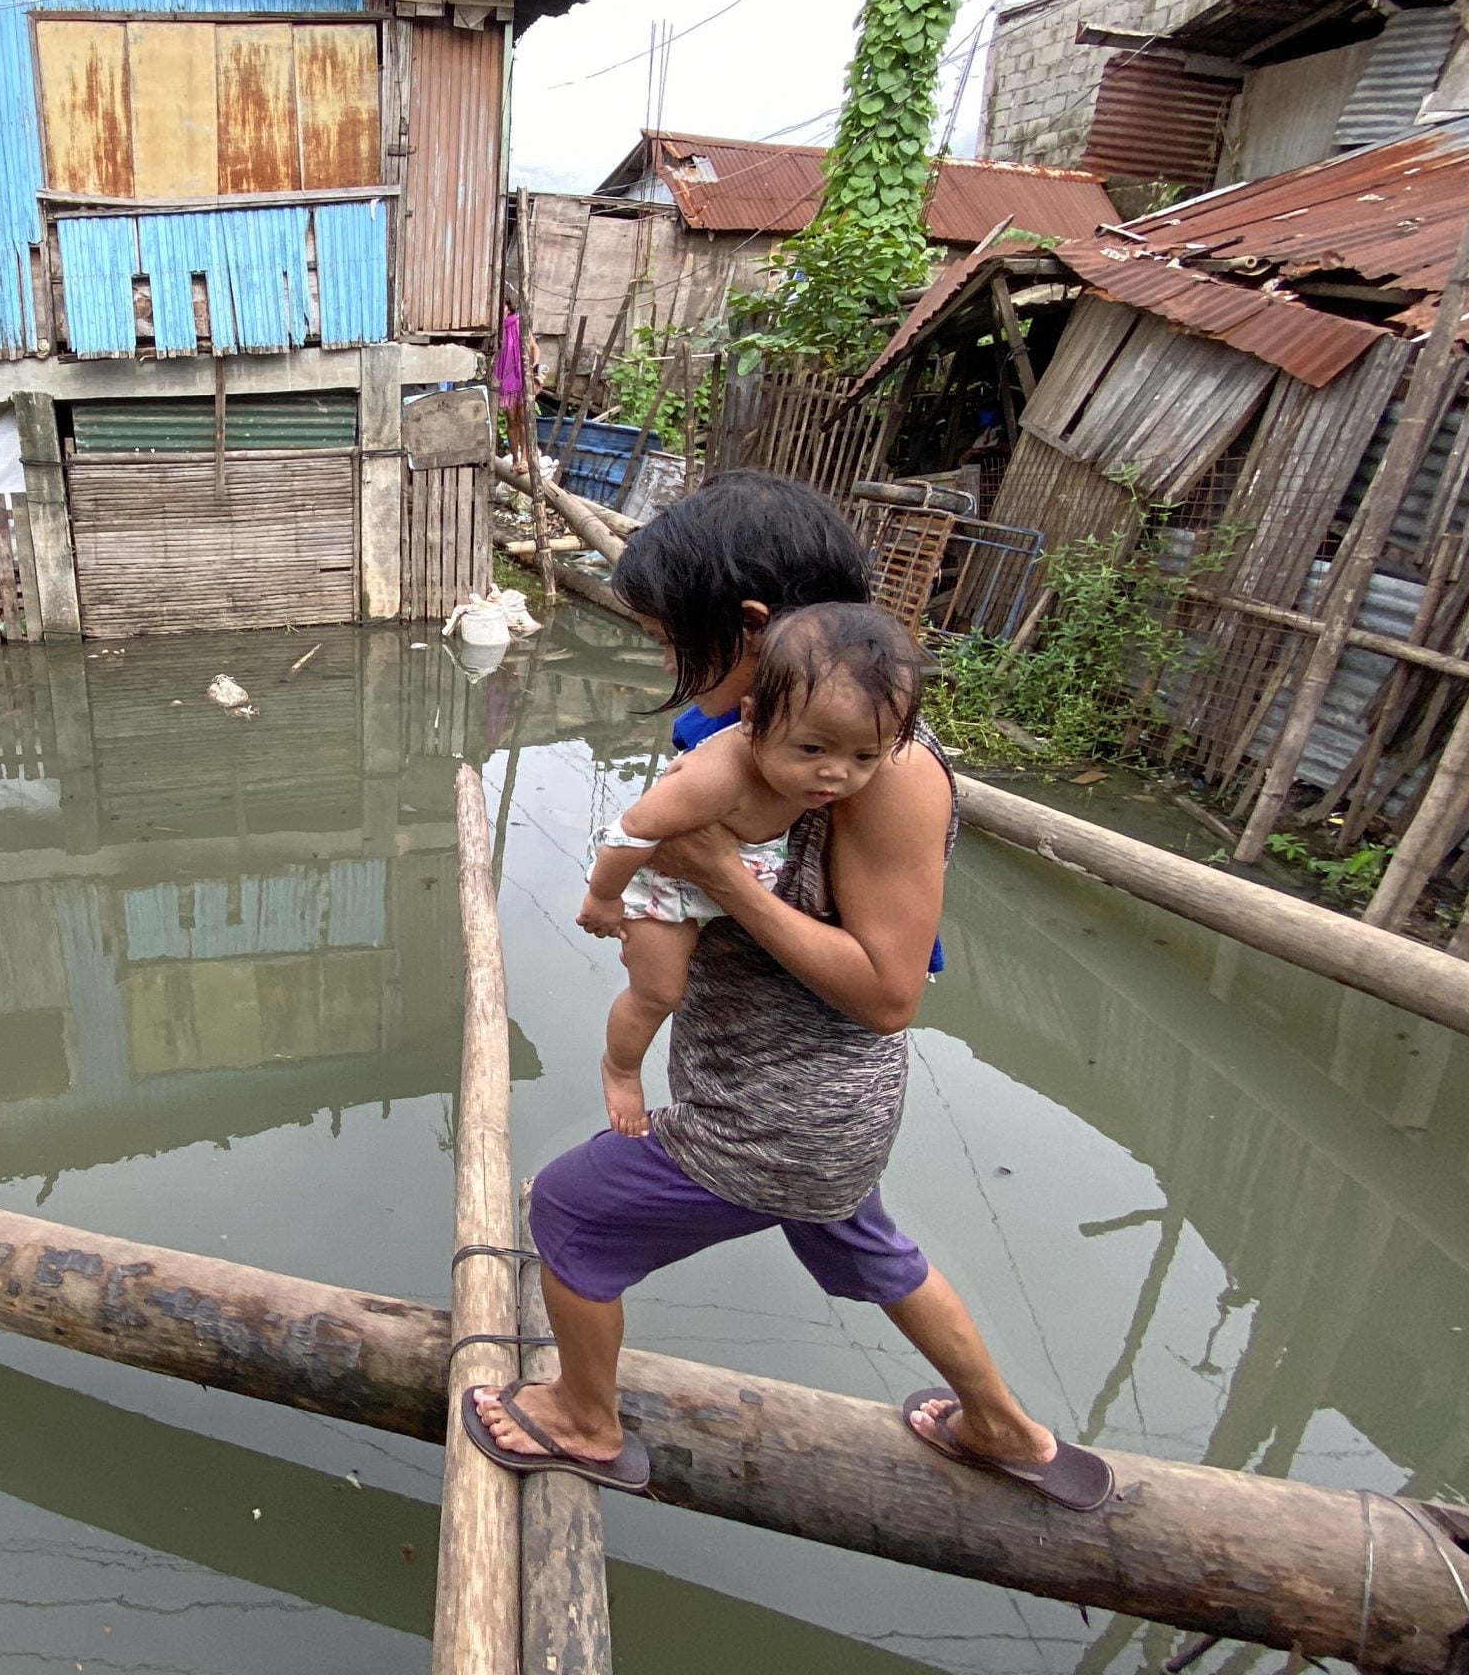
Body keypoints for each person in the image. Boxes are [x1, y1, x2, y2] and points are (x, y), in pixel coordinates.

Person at [462, 471, 1114, 1513]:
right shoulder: (783, 742)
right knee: (858, 1237)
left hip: (782, 1111)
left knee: (570, 1211)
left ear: (754, 628)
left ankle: (584, 1422)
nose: (672, 670)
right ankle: (1000, 1426)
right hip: (807, 1110)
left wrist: (720, 879)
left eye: (679, 642)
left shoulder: (885, 774)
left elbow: (889, 994)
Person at [577, 601, 921, 1143]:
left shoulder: (841, 756)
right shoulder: (716, 776)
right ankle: (620, 1068)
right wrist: (604, 898)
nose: (835, 774)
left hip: (735, 873)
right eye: (813, 749)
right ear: (753, 719)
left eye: (865, 758)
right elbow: (631, 831)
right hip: (664, 888)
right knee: (659, 992)